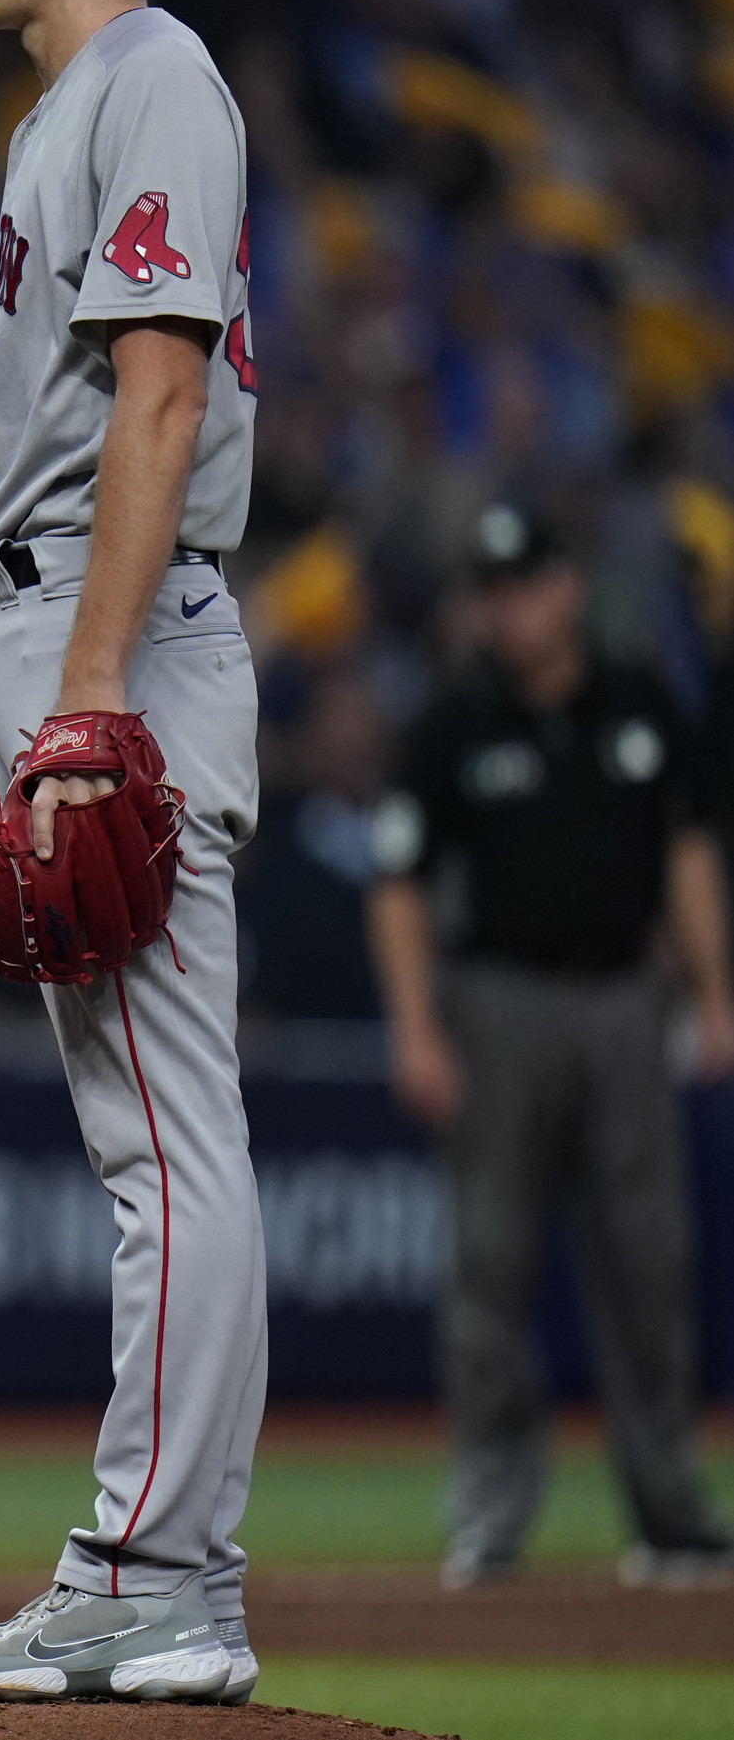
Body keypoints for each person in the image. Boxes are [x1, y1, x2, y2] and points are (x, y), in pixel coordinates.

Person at [0, 0, 266, 1705]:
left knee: (166, 1154)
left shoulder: (153, 78)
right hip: (57, 621)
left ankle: (155, 1578)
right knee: (150, 1143)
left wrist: (94, 695)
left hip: (104, 634)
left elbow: (161, 396)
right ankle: (159, 1573)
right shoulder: (69, 109)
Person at [365, 504, 734, 1589]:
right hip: (498, 1001)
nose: (509, 605)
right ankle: (488, 1512)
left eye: (524, 581)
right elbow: (396, 883)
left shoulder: (638, 699)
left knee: (648, 1260)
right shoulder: (451, 719)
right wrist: (416, 1023)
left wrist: (715, 991)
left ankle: (668, 1509)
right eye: (491, 587)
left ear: (566, 585)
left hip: (624, 995)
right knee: (489, 1263)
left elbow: (686, 850)